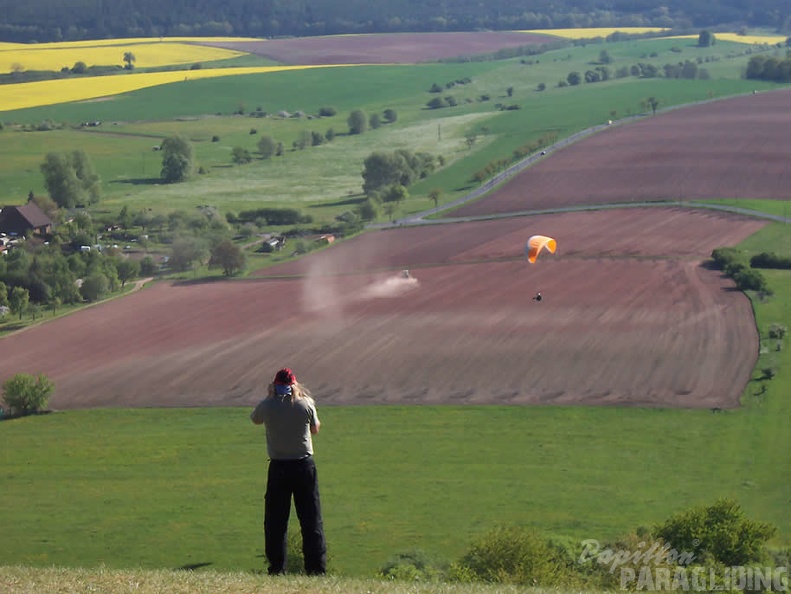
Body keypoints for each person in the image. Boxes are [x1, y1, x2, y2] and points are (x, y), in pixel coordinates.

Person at [250, 367, 327, 576]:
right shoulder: (306, 404)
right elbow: (315, 429)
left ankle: (277, 568)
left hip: (279, 468)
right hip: (304, 466)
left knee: (276, 521)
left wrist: (270, 398)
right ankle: (316, 569)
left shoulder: (267, 406)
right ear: (295, 385)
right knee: (311, 519)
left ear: (275, 385)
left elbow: (255, 419)